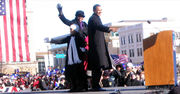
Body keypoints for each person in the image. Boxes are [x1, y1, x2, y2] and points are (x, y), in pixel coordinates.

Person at [49, 4, 88, 92]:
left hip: (80, 54)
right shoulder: (72, 25)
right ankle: (73, 86)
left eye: (82, 17)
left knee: (81, 71)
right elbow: (64, 22)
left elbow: (87, 37)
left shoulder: (85, 26)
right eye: (79, 16)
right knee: (71, 72)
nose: (80, 18)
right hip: (71, 57)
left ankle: (82, 86)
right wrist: (60, 12)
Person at [87, 4, 117, 91]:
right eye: (98, 10)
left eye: (101, 10)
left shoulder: (95, 18)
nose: (100, 11)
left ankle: (95, 85)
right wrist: (109, 29)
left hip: (97, 46)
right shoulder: (94, 19)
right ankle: (95, 85)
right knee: (97, 66)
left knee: (98, 67)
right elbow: (99, 26)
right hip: (96, 47)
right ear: (94, 10)